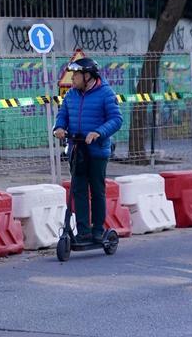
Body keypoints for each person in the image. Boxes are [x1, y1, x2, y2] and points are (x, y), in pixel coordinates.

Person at [52, 55, 122, 246]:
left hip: (97, 151)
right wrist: (59, 128)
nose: (72, 78)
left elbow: (116, 119)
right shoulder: (71, 94)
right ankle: (83, 232)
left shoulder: (106, 93)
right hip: (77, 149)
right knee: (79, 190)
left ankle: (98, 230)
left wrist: (98, 132)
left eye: (76, 75)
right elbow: (63, 115)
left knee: (97, 190)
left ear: (88, 76)